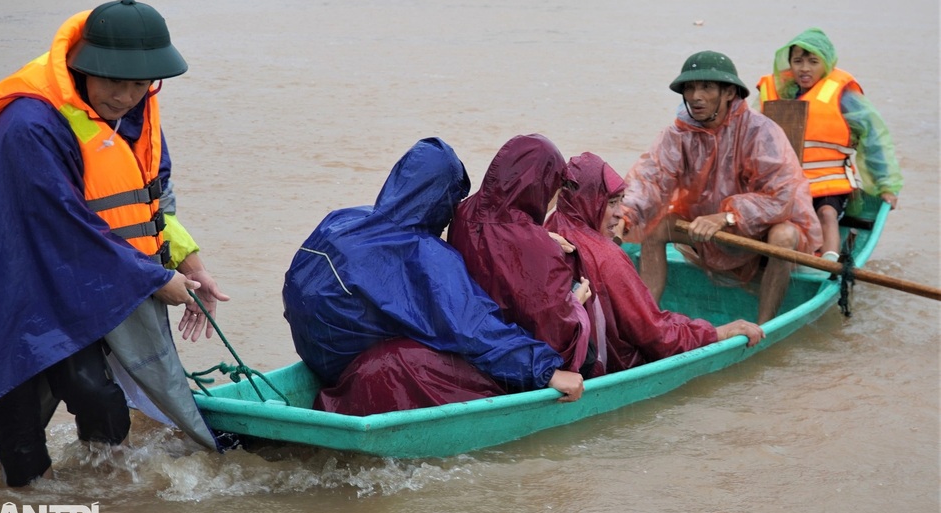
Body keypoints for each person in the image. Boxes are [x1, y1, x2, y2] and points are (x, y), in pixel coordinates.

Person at [0, 0, 228, 487]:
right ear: (83, 69)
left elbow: (148, 205)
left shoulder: (136, 113)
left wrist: (190, 263)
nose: (126, 96)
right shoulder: (29, 127)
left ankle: (107, 505)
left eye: (139, 83)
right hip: (12, 288)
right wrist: (155, 278)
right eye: (114, 81)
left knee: (98, 399)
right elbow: (62, 226)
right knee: (20, 420)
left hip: (88, 278)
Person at [283, 137, 584, 416]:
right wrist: (547, 371)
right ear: (443, 199)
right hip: (361, 366)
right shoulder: (424, 255)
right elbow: (474, 328)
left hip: (316, 354)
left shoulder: (341, 219)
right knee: (465, 359)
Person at [622, 51, 822, 325]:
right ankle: (646, 323)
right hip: (707, 227)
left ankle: (763, 326)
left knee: (784, 236)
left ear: (729, 92)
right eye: (690, 88)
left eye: (706, 87)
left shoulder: (760, 131)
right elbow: (648, 181)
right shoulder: (678, 134)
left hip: (760, 230)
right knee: (656, 227)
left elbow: (781, 198)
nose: (695, 96)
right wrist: (623, 216)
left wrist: (728, 217)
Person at [546, 152, 764, 373]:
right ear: (588, 203)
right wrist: (716, 333)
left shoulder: (548, 228)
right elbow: (655, 335)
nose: (620, 214)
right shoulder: (607, 257)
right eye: (611, 203)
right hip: (610, 365)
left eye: (621, 201)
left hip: (567, 358)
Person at [448, 134, 598, 377]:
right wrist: (576, 303)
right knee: (587, 348)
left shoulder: (462, 213)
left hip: (478, 334)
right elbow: (556, 330)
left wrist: (542, 238)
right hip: (516, 352)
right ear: (541, 187)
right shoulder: (537, 246)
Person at [757, 28, 903, 262]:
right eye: (798, 61)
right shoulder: (775, 91)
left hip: (829, 182)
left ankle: (830, 261)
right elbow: (751, 135)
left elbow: (874, 139)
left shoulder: (844, 96)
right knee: (770, 217)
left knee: (826, 213)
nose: (804, 68)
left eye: (813, 61)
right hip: (786, 183)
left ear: (825, 63)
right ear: (789, 63)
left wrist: (885, 186)